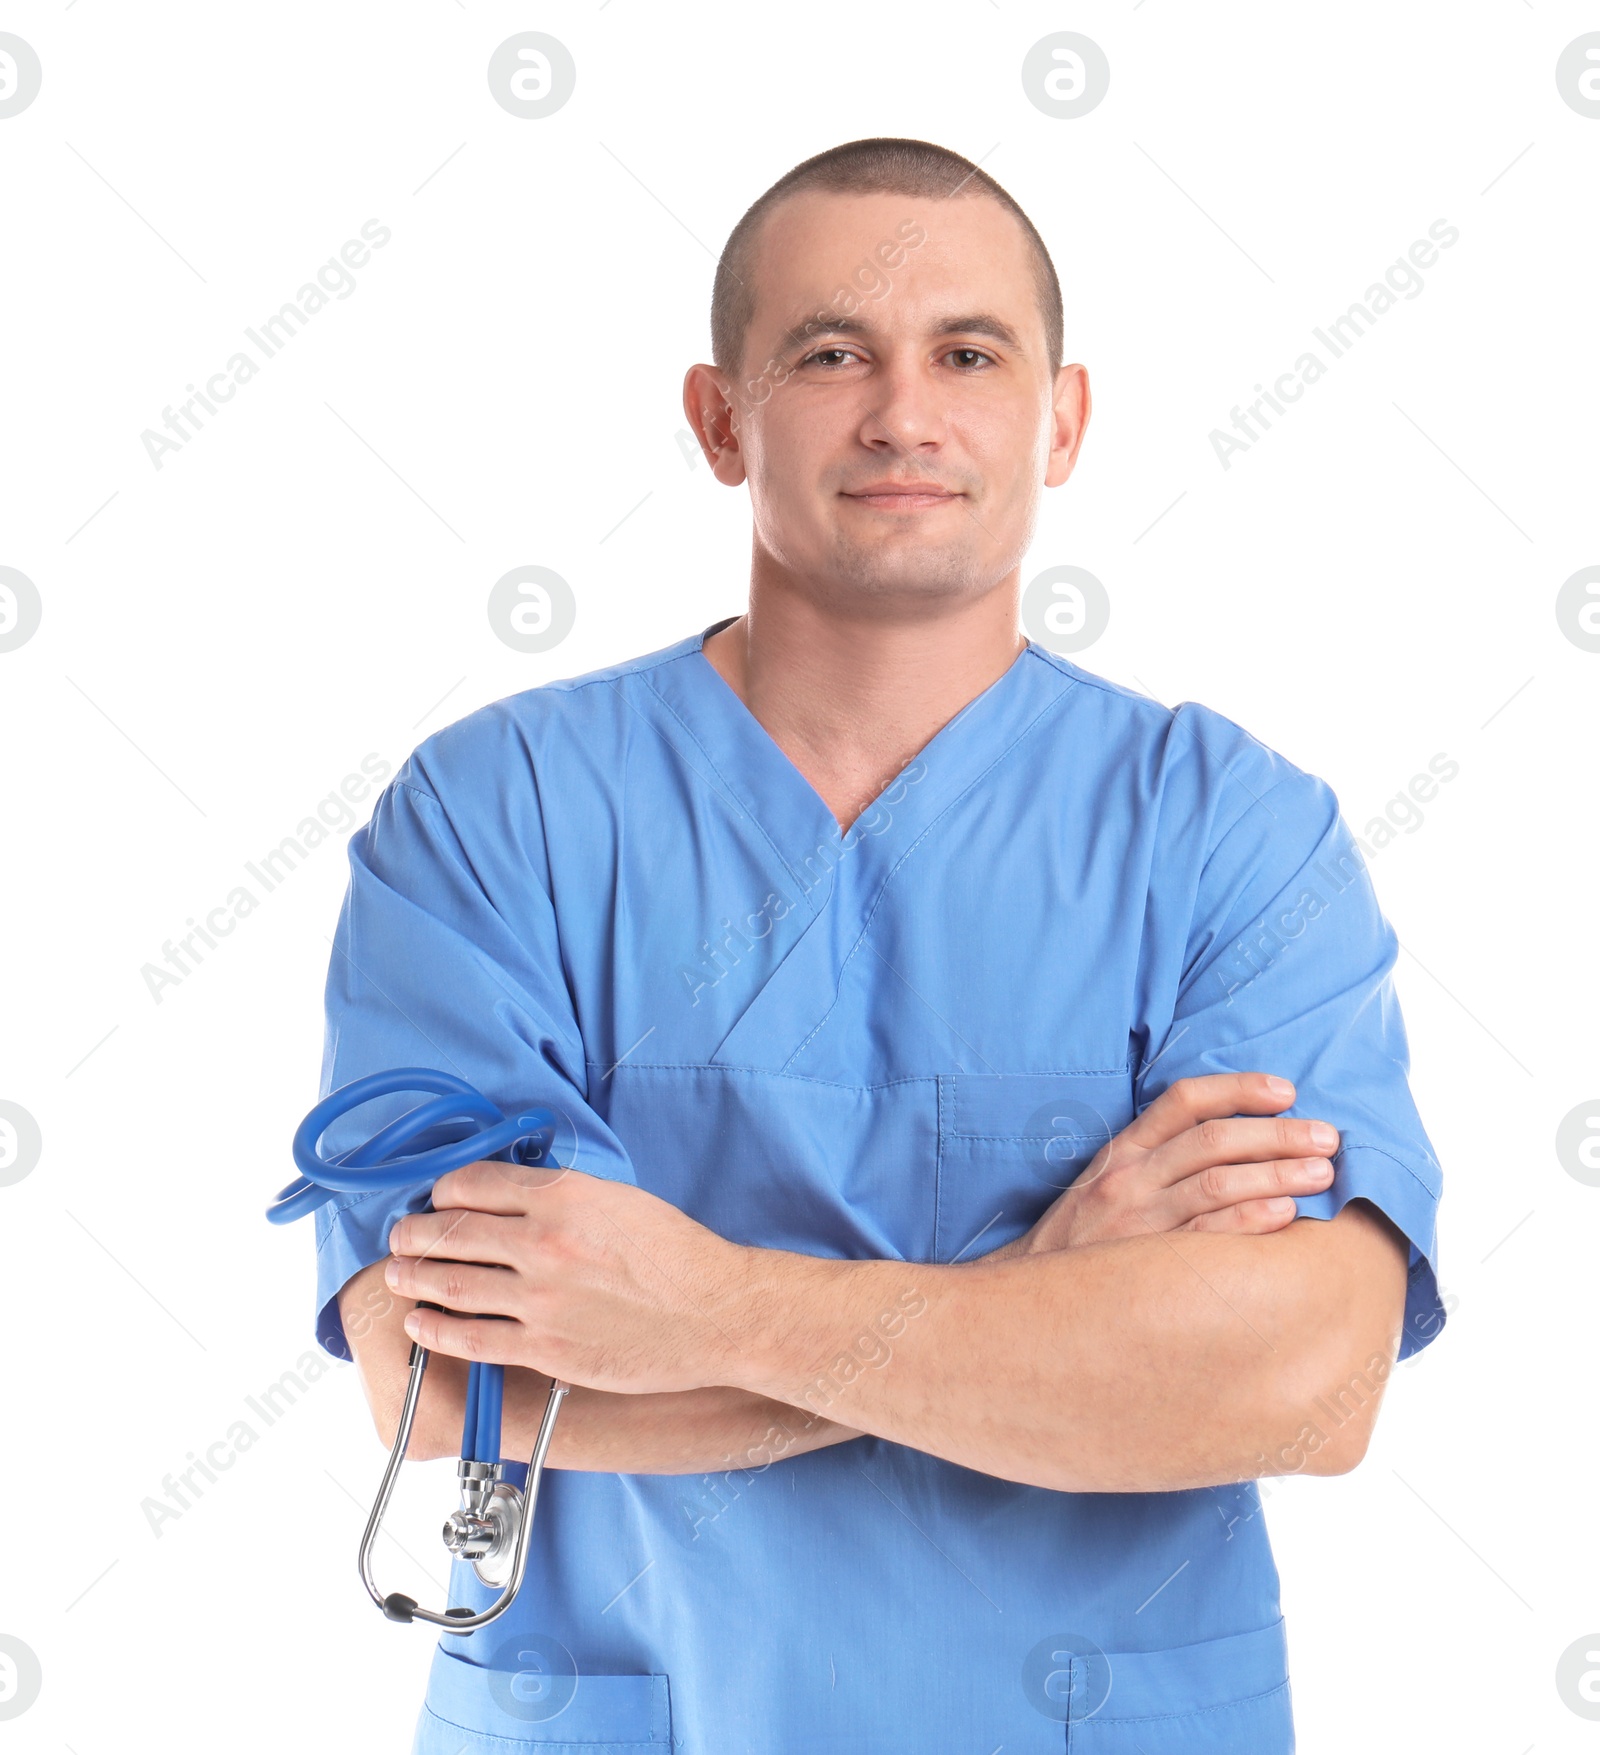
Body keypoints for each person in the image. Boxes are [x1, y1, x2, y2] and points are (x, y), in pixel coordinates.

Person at [313, 136, 1445, 1754]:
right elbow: (438, 1392)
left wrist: (701, 1308)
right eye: (831, 353)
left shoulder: (1228, 833)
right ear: (722, 421)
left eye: (969, 355)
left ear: (1062, 420)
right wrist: (1036, 1299)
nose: (905, 413)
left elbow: (1312, 1389)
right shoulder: (504, 814)